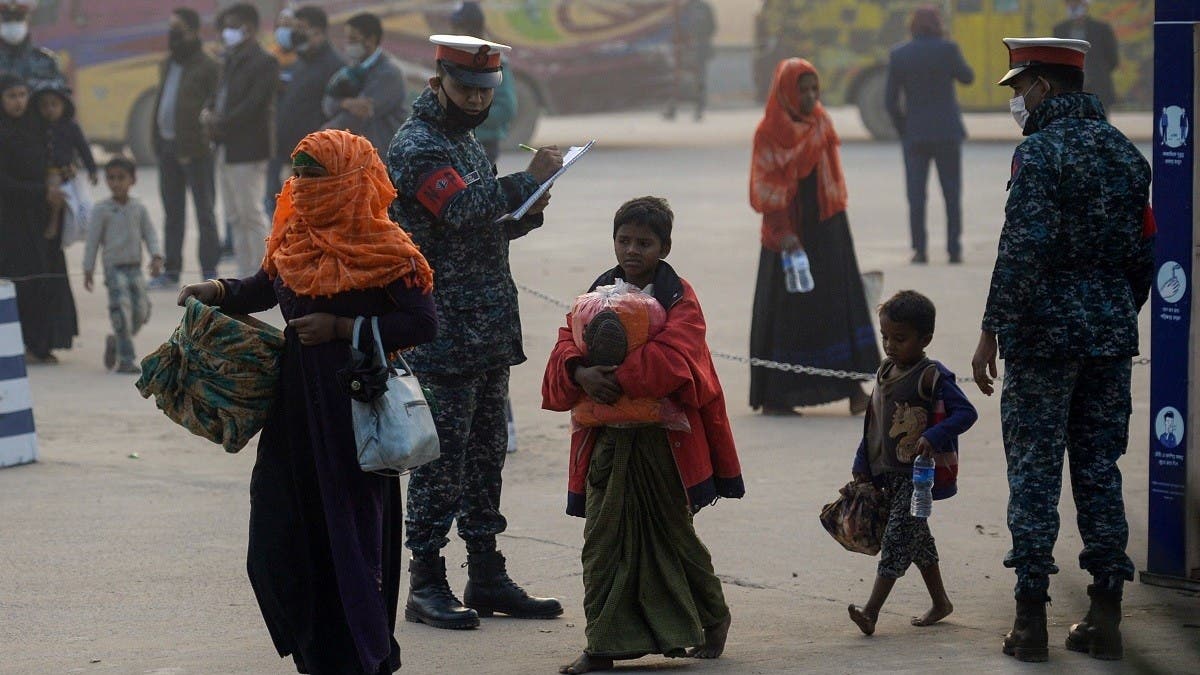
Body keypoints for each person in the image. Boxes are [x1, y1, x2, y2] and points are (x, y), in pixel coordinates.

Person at [177, 129, 438, 675]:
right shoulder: (294, 237)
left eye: (315, 175)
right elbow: (265, 287)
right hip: (295, 414)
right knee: (279, 534)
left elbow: (421, 323)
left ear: (349, 180)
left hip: (353, 414)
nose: (302, 186)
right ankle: (314, 651)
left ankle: (362, 654)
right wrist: (218, 291)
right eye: (299, 174)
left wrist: (343, 326)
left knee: (350, 536)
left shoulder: (387, 247)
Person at [971, 38, 1153, 663]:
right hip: (1107, 336)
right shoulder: (1128, 157)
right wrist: (1110, 314)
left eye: (1020, 89)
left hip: (1043, 338)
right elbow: (1143, 258)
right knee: (1101, 471)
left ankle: (1029, 623)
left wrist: (992, 328)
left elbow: (1023, 250)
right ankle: (1105, 616)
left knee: (1035, 473)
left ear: (1044, 86)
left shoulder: (1039, 154)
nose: (1018, 101)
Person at [387, 34, 563, 630]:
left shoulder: (463, 142)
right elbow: (461, 211)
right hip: (443, 334)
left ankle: (486, 572)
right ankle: (426, 582)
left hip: (486, 329)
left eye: (485, 92)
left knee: (486, 460)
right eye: (465, 89)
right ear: (438, 80)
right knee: (441, 464)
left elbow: (487, 225)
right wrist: (524, 178)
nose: (476, 100)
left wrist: (530, 203)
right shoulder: (417, 147)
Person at [542, 196, 744, 674]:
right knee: (602, 539)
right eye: (624, 240)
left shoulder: (681, 299)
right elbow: (564, 344)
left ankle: (713, 618)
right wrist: (580, 372)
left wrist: (609, 377)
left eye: (644, 242)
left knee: (674, 535)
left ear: (664, 247)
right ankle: (603, 645)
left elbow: (676, 359)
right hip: (607, 443)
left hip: (663, 444)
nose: (632, 250)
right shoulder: (595, 294)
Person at [748, 58, 880, 416]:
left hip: (827, 227)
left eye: (813, 89)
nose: (808, 97)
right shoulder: (768, 132)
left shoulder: (821, 122)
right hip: (789, 234)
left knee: (839, 307)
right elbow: (765, 189)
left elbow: (830, 178)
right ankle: (777, 396)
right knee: (790, 313)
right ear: (785, 91)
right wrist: (785, 234)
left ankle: (854, 390)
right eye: (800, 90)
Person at [846, 290, 977, 636]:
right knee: (917, 540)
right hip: (888, 475)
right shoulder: (885, 370)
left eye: (900, 339)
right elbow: (874, 421)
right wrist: (863, 462)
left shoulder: (933, 376)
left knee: (898, 540)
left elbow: (966, 412)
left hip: (917, 478)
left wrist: (934, 436)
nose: (890, 345)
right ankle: (941, 602)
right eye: (885, 337)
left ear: (925, 339)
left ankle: (871, 611)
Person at [885, 6, 974, 265]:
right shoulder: (948, 49)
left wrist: (904, 127)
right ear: (937, 24)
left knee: (915, 195)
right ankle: (954, 249)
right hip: (947, 131)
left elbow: (890, 101)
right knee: (952, 193)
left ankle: (920, 250)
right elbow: (967, 77)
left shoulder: (899, 54)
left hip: (915, 133)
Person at [0, 74, 77, 364]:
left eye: (22, 95)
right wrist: (39, 190)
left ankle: (43, 344)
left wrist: (61, 173)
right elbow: (4, 183)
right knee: (23, 282)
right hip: (13, 222)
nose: (19, 102)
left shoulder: (37, 128)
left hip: (44, 217)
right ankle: (24, 344)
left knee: (47, 279)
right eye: (11, 96)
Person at [201, 3, 278, 277]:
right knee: (234, 216)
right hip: (225, 147)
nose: (226, 32)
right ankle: (245, 273)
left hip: (248, 149)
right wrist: (209, 112)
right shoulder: (229, 59)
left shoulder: (265, 62)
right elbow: (217, 96)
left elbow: (254, 105)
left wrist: (220, 121)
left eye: (232, 26)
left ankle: (262, 274)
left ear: (249, 28)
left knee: (250, 214)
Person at [150, 7, 220, 289]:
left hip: (196, 151)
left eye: (177, 29)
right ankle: (172, 270)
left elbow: (215, 104)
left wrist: (203, 139)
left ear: (192, 31)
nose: (172, 35)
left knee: (205, 212)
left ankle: (210, 270)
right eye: (170, 28)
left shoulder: (208, 65)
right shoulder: (169, 63)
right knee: (172, 212)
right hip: (167, 147)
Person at [82, 157, 162, 374]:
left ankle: (116, 341)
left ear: (132, 180)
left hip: (135, 268)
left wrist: (156, 256)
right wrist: (88, 268)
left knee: (142, 311)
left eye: (121, 178)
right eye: (110, 178)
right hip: (114, 269)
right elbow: (92, 241)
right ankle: (125, 358)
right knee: (121, 312)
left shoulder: (139, 207)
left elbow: (150, 234)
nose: (115, 183)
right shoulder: (102, 209)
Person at [268, 5, 344, 217]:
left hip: (313, 160)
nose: (296, 33)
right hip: (288, 154)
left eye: (302, 28)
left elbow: (335, 112)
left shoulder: (335, 66)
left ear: (318, 31)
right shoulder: (301, 60)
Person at [323, 12, 407, 158]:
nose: (348, 43)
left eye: (353, 39)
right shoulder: (351, 69)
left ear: (371, 39)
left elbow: (361, 113)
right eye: (347, 38)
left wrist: (323, 137)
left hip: (381, 156)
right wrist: (346, 103)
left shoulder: (389, 74)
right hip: (357, 154)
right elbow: (328, 103)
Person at [449, 1, 517, 165]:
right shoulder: (456, 59)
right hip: (458, 142)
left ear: (472, 29)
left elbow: (506, 109)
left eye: (459, 28)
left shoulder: (495, 62)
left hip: (483, 144)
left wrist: (467, 116)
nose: (454, 33)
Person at [30, 80, 97, 241]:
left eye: (54, 105)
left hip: (62, 172)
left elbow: (83, 149)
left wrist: (92, 170)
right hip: (41, 173)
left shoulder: (71, 127)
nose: (50, 109)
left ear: (64, 106)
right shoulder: (36, 127)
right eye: (45, 106)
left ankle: (54, 222)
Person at [1054, 0, 1119, 113]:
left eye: (1077, 3)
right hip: (1069, 89)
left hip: (1097, 88)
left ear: (1085, 5)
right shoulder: (1060, 30)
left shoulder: (1102, 29)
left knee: (1099, 126)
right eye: (1070, 3)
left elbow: (1112, 60)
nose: (1073, 6)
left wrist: (1097, 73)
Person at [664, 0, 716, 122]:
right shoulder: (697, 7)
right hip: (693, 49)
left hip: (690, 49)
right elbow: (712, 27)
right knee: (690, 79)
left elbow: (712, 27)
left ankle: (689, 109)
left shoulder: (689, 7)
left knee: (684, 79)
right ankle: (685, 108)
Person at [0, 0, 64, 90]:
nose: (13, 24)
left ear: (27, 20)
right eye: (7, 19)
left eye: (18, 18)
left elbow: (58, 97)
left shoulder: (46, 61)